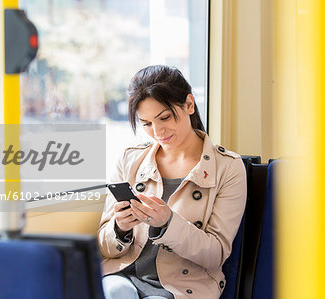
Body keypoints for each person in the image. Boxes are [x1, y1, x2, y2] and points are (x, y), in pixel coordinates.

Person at [98, 65, 246, 299]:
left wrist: (167, 223)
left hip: (181, 286)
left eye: (164, 117)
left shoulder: (228, 167)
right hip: (123, 275)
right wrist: (120, 228)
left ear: (189, 104)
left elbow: (216, 254)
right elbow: (104, 248)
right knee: (114, 291)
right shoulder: (130, 160)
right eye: (146, 123)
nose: (157, 131)